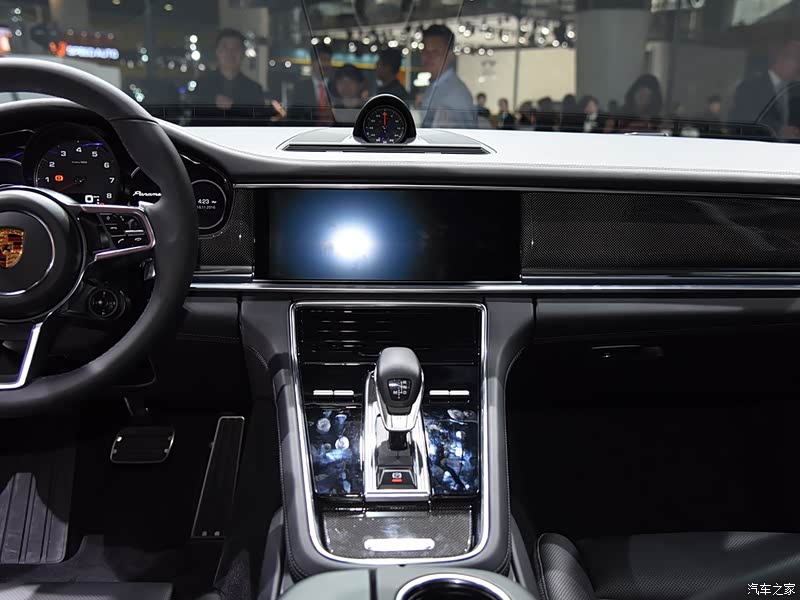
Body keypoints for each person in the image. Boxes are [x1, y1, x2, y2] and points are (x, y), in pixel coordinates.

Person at [730, 40, 800, 138]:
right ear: (781, 58)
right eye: (797, 59)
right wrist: (778, 130)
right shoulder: (749, 87)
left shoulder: (794, 90)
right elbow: (741, 121)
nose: (798, 66)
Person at [420, 24, 477, 128]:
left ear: (450, 55)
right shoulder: (435, 86)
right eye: (425, 51)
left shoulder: (456, 93)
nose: (428, 56)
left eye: (435, 52)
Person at [193, 28, 264, 110]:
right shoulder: (202, 85)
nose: (230, 53)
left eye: (236, 48)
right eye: (225, 47)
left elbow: (258, 115)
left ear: (243, 53)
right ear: (217, 51)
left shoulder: (254, 89)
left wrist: (234, 107)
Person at [289, 44, 334, 124]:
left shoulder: (337, 86)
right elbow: (293, 116)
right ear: (312, 63)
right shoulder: (300, 88)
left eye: (328, 60)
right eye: (322, 60)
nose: (326, 64)